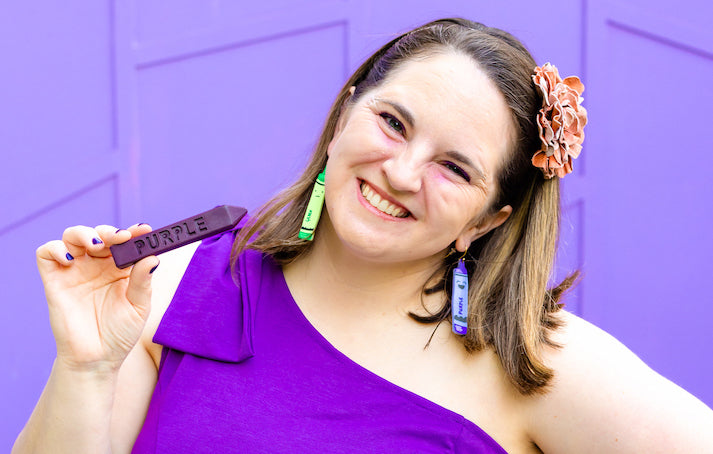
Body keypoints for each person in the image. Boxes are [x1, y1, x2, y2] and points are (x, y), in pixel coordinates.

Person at [12, 18, 713, 453]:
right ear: (346, 111)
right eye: (392, 122)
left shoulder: (531, 362)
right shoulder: (175, 286)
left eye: (453, 167)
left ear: (487, 220)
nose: (402, 171)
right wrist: (84, 366)